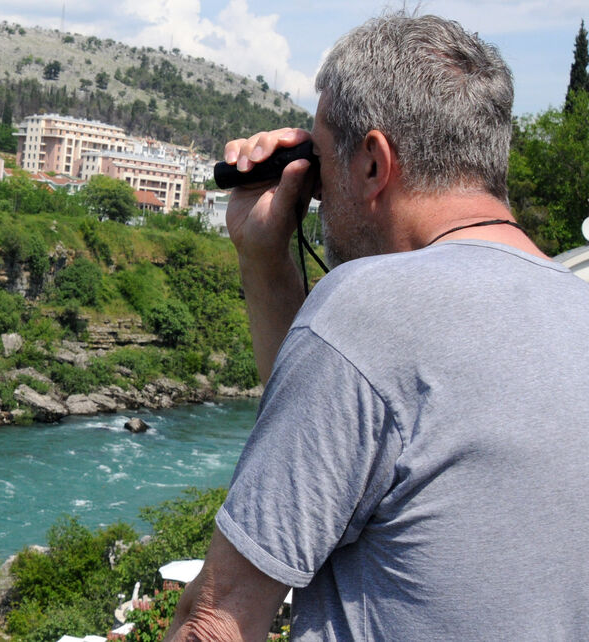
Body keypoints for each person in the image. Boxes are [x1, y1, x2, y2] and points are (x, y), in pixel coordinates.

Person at [166, 12, 589, 641]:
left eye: (319, 160)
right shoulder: (575, 307)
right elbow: (338, 443)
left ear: (372, 163)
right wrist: (265, 256)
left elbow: (216, 623)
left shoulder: (367, 309)